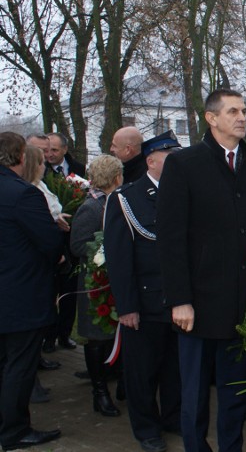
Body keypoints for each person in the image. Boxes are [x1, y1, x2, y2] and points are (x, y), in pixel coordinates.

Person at [157, 89, 246, 452]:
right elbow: (171, 238)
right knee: (194, 394)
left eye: (244, 111)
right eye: (233, 111)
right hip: (198, 305)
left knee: (236, 394)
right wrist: (180, 300)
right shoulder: (184, 164)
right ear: (211, 118)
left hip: (243, 305)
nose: (242, 117)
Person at [102, 131, 183, 452]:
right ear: (151, 160)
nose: (176, 159)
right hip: (145, 301)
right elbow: (119, 258)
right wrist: (127, 306)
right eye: (169, 155)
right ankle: (146, 428)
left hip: (178, 300)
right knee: (143, 372)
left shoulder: (183, 192)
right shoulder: (126, 197)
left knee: (175, 368)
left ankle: (173, 417)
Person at [0, 131, 64, 450]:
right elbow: (50, 242)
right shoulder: (23, 194)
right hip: (20, 294)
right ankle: (13, 431)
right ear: (21, 158)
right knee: (19, 366)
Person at [70, 155, 124, 418]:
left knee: (116, 334)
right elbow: (77, 245)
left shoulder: (118, 202)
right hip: (96, 284)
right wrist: (105, 250)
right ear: (117, 177)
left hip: (117, 280)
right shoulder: (90, 208)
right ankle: (99, 393)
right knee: (97, 337)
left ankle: (120, 382)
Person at [42, 132, 84, 354]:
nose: (49, 155)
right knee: (50, 293)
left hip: (72, 240)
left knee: (70, 293)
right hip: (51, 244)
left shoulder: (79, 169)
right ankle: (48, 337)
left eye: (54, 150)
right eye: (46, 151)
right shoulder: (40, 172)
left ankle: (65, 334)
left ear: (65, 150)